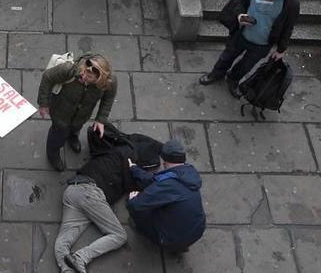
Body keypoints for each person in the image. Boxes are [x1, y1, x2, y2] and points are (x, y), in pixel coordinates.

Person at [198, 0, 300, 98]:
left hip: (262, 44)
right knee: (227, 56)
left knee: (246, 65)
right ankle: (216, 73)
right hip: (242, 34)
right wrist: (240, 15)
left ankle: (233, 79)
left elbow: (288, 26)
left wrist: (281, 49)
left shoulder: (292, 2)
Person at [56, 124, 129, 273]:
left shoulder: (103, 153)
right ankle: (81, 257)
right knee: (119, 235)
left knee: (64, 240)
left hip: (72, 191)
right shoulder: (123, 160)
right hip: (90, 193)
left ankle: (67, 270)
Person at [37, 53, 116, 172]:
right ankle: (53, 154)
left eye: (89, 77)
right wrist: (43, 103)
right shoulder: (69, 70)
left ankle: (72, 137)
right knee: (57, 136)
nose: (83, 77)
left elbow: (108, 98)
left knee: (75, 129)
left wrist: (101, 119)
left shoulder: (109, 82)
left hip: (81, 116)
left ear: (99, 79)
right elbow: (48, 77)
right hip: (60, 113)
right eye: (84, 72)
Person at [126, 139, 206, 253]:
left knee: (136, 209)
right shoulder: (188, 173)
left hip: (171, 238)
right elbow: (154, 180)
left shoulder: (168, 185)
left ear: (164, 162)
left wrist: (133, 199)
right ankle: (180, 245)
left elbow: (137, 205)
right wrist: (135, 169)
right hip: (197, 231)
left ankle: (168, 243)